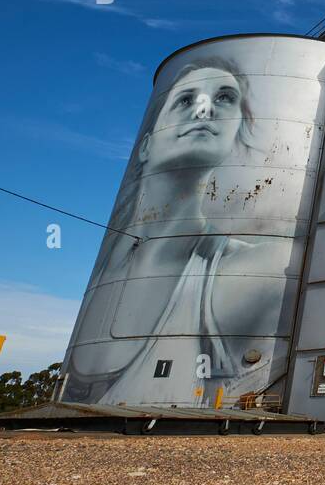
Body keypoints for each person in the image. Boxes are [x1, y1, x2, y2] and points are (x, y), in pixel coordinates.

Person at [62, 57, 290, 405]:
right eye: (185, 99)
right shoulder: (102, 277)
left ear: (236, 131)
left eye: (225, 98)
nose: (204, 110)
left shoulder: (259, 266)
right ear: (146, 145)